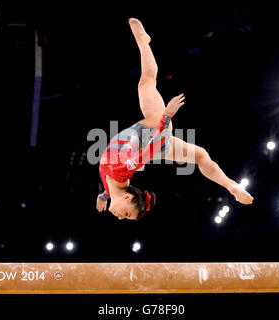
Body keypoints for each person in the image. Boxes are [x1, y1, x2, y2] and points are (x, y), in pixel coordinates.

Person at [96, 18, 253, 220]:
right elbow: (148, 150)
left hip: (153, 141)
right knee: (146, 83)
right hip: (154, 132)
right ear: (127, 197)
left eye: (125, 217)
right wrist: (166, 117)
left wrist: (103, 195)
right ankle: (142, 40)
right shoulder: (123, 168)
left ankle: (231, 185)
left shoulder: (114, 186)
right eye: (126, 214)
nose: (120, 217)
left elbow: (111, 182)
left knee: (200, 156)